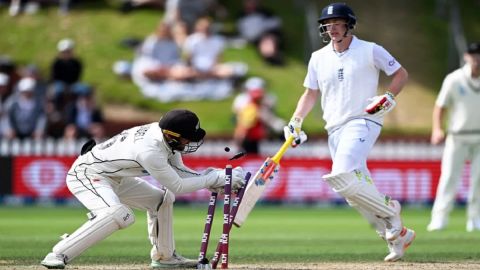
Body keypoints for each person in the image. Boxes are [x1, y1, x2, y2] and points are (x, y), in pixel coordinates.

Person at [283, 3, 413, 262]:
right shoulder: (318, 57)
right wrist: (295, 121)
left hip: (363, 120)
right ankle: (398, 236)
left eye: (337, 23)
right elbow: (310, 93)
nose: (331, 28)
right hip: (334, 128)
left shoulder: (370, 50)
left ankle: (390, 210)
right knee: (351, 193)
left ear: (349, 24)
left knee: (341, 173)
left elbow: (400, 73)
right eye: (327, 24)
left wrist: (387, 95)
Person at [40, 109, 246, 269]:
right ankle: (58, 254)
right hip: (87, 174)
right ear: (172, 135)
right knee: (120, 215)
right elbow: (178, 185)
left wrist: (215, 179)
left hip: (116, 176)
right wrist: (212, 178)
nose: (190, 141)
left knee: (161, 199)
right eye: (188, 137)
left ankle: (165, 257)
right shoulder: (150, 150)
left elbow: (181, 172)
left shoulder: (165, 137)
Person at [427, 42, 480, 232]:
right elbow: (440, 106)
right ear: (466, 56)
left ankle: (475, 219)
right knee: (449, 177)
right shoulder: (454, 79)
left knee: (478, 180)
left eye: (479, 55)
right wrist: (437, 129)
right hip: (457, 136)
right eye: (473, 55)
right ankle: (439, 218)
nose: (477, 59)